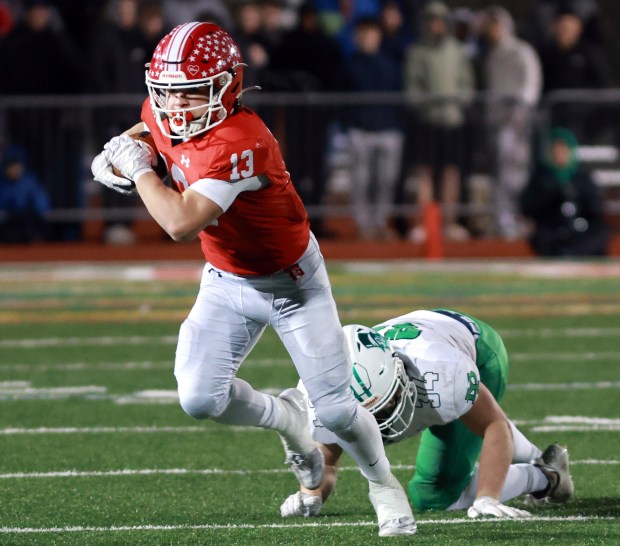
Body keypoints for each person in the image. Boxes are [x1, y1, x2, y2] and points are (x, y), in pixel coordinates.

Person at [89, 22, 415, 537]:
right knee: (199, 397)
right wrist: (116, 151)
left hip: (292, 286)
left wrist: (140, 172)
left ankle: (383, 485)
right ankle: (288, 420)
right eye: (170, 92)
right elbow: (148, 127)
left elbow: (178, 222)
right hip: (226, 278)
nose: (179, 105)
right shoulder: (166, 108)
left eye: (193, 92)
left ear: (228, 86)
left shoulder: (241, 139)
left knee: (335, 408)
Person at [280, 308, 575, 520]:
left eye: (387, 404)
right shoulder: (326, 398)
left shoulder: (443, 375)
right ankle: (540, 458)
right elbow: (327, 461)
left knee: (435, 496)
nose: (383, 420)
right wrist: (311, 496)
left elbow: (493, 425)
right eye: (372, 414)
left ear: (399, 372)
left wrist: (488, 497)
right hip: (431, 346)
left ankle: (545, 476)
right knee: (461, 419)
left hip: (475, 349)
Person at [402, 0, 475, 243]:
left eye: (440, 20)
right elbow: (412, 87)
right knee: (425, 173)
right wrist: (429, 103)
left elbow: (467, 84)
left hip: (453, 121)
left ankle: (449, 222)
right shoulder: (417, 52)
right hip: (427, 120)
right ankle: (425, 223)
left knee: (451, 173)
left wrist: (457, 102)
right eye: (431, 20)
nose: (436, 25)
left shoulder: (457, 50)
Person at [480, 6, 542, 240]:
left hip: (518, 123)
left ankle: (519, 218)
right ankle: (502, 219)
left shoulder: (520, 51)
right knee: (500, 174)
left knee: (517, 174)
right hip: (497, 123)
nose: (492, 31)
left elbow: (531, 84)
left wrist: (519, 111)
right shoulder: (492, 55)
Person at [343, 16, 404, 240]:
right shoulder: (349, 64)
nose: (367, 38)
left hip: (388, 128)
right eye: (363, 33)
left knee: (386, 179)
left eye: (371, 33)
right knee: (361, 180)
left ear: (379, 35)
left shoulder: (391, 64)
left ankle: (379, 221)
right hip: (359, 128)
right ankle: (363, 224)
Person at [520, 127, 610, 257]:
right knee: (543, 237)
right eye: (556, 150)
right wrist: (552, 194)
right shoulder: (541, 176)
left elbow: (596, 209)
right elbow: (527, 207)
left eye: (564, 150)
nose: (560, 154)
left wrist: (577, 195)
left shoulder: (582, 177)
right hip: (553, 231)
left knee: (598, 235)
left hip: (581, 231)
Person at [0, 144, 50, 243]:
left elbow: (42, 206)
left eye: (17, 165)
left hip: (27, 226)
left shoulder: (29, 182)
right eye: (11, 166)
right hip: (7, 225)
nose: (15, 169)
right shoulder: (3, 183)